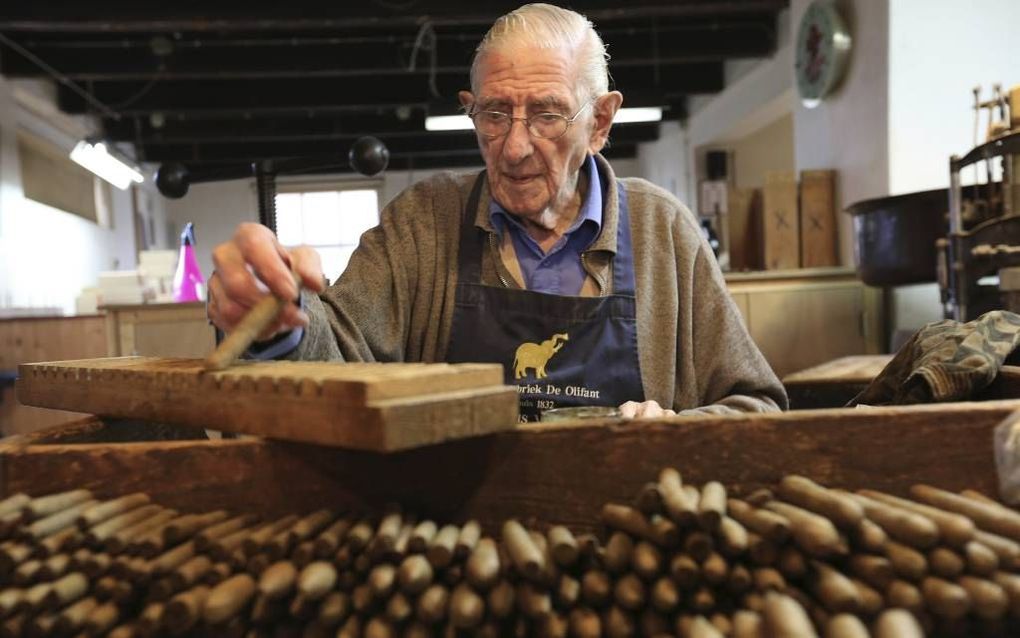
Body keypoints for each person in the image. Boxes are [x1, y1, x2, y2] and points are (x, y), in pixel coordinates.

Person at [207, 3, 787, 422]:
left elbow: (758, 404)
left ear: (601, 123)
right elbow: (336, 369)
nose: (513, 147)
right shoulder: (421, 224)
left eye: (547, 114)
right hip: (457, 544)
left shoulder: (664, 230)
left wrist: (676, 433)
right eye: (494, 114)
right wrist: (280, 319)